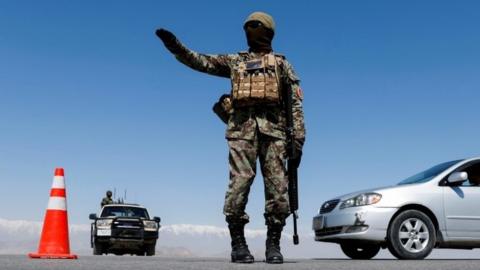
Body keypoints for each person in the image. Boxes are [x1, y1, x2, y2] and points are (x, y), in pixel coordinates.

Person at [156, 11, 305, 264]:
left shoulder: (282, 65)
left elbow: (295, 105)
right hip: (242, 133)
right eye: (247, 27)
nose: (250, 30)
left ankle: (273, 244)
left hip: (275, 135)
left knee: (278, 190)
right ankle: (238, 243)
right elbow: (200, 61)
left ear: (268, 31)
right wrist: (176, 48)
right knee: (239, 186)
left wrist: (298, 140)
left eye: (255, 26)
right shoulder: (235, 62)